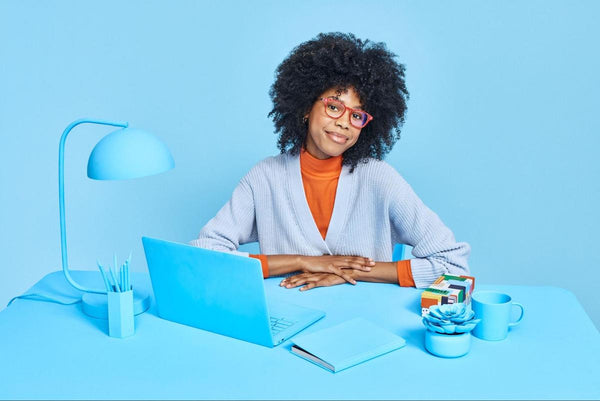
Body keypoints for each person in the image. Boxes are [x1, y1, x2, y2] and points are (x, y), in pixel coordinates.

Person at [191, 32, 470, 291]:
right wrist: (302, 261)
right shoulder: (264, 178)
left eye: (356, 115)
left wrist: (353, 272)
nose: (344, 124)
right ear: (305, 108)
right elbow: (204, 255)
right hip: (286, 317)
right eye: (334, 107)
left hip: (369, 321)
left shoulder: (380, 179)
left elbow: (453, 266)